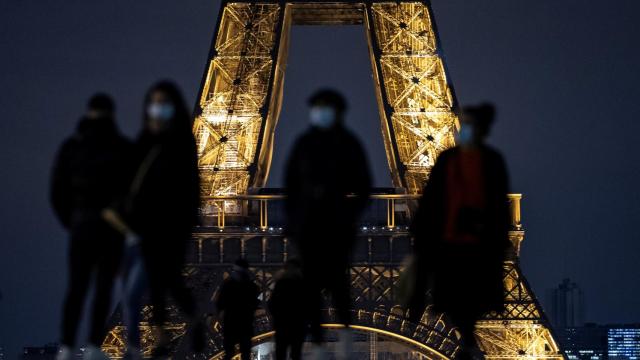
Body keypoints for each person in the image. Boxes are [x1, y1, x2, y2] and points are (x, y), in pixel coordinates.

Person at [102, 81, 204, 358]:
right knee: (155, 284)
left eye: (164, 103)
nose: (158, 109)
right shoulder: (145, 141)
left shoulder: (181, 141)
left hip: (171, 224)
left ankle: (173, 328)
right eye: (155, 103)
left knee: (162, 281)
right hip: (145, 226)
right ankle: (157, 337)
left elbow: (191, 184)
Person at [409, 103, 511, 359]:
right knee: (459, 298)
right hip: (452, 240)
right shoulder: (455, 160)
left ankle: (466, 338)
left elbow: (497, 205)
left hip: (473, 242)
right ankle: (466, 338)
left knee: (463, 297)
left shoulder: (484, 161)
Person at [284, 89, 372, 355]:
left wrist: (345, 210)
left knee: (335, 279)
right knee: (314, 284)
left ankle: (337, 335)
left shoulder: (341, 143)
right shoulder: (312, 143)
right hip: (312, 224)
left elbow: (363, 186)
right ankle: (323, 341)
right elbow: (291, 185)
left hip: (335, 224)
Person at [51, 94, 131, 360]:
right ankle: (95, 346)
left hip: (81, 226)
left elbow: (57, 191)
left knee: (76, 287)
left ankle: (67, 345)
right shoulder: (122, 147)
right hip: (109, 229)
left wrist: (72, 221)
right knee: (103, 287)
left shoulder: (72, 147)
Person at [215, 258, 260, 360]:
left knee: (229, 352)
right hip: (245, 322)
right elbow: (255, 300)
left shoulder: (228, 285)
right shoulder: (251, 286)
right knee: (245, 353)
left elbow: (220, 303)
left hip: (231, 322)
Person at [268, 259, 307, 360]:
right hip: (298, 325)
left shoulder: (280, 284)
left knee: (280, 352)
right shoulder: (302, 285)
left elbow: (271, 305)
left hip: (282, 324)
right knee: (296, 353)